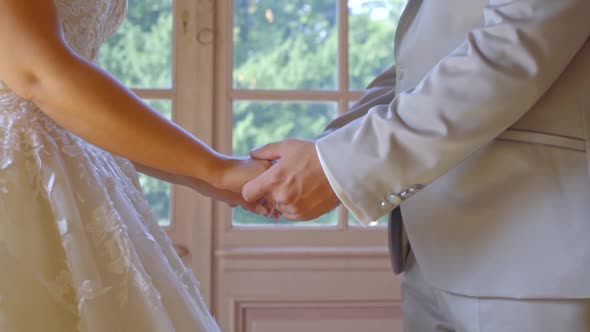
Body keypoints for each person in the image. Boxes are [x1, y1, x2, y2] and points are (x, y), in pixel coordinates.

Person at [243, 0, 590, 330]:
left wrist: (337, 168)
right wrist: (316, 156)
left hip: (528, 258)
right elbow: (417, 73)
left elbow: (511, 53)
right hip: (429, 254)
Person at [0, 0, 270, 331]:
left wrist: (207, 178)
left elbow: (73, 105)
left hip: (75, 180)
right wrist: (215, 167)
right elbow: (38, 73)